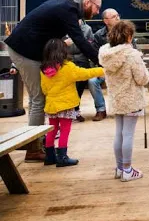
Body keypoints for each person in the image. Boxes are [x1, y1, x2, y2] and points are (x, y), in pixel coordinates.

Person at [3, 0, 102, 162]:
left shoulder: (66, 6)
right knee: (38, 98)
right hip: (24, 51)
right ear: (87, 2)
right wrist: (102, 60)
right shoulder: (68, 10)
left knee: (39, 98)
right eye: (97, 7)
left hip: (30, 50)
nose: (97, 11)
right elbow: (79, 39)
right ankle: (34, 149)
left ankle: (40, 145)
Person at [99, 20, 149, 182]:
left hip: (116, 99)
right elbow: (142, 79)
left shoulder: (106, 54)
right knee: (128, 134)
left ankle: (120, 168)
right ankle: (128, 170)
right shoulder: (132, 54)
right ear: (128, 36)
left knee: (119, 134)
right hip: (131, 100)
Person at [40, 38, 104, 167]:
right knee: (64, 130)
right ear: (63, 51)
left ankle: (50, 157)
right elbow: (85, 73)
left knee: (52, 130)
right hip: (66, 105)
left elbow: (44, 89)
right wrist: (103, 70)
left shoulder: (44, 69)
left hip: (51, 105)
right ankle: (62, 157)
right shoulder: (67, 67)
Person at [87, 8, 129, 122]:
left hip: (123, 68)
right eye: (114, 16)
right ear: (106, 20)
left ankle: (125, 108)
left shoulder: (126, 32)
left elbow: (133, 50)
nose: (118, 18)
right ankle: (101, 110)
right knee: (92, 81)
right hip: (105, 68)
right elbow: (95, 56)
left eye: (118, 15)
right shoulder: (98, 35)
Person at [65, 18, 96, 122]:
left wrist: (91, 64)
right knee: (68, 87)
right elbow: (55, 44)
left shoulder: (87, 29)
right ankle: (67, 112)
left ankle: (76, 110)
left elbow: (91, 46)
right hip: (66, 60)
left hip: (82, 60)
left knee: (79, 88)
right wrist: (64, 43)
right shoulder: (63, 27)